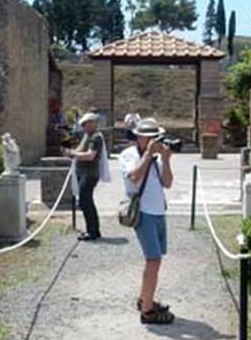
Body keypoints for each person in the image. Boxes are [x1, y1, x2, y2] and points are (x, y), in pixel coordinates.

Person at [118, 117, 174, 325]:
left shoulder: (157, 158)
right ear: (138, 137)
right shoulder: (128, 155)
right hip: (143, 213)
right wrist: (149, 155)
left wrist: (166, 160)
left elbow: (167, 183)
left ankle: (145, 299)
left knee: (156, 259)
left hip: (159, 211)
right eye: (147, 137)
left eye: (154, 137)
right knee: (153, 260)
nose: (151, 141)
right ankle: (147, 311)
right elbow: (134, 177)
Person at [63, 111, 108, 241]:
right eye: (82, 125)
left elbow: (90, 155)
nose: (83, 127)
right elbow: (80, 151)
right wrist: (70, 152)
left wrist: (72, 154)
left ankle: (92, 231)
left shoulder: (96, 137)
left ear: (93, 123)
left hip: (90, 174)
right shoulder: (88, 136)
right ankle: (93, 229)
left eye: (85, 124)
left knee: (85, 201)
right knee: (85, 201)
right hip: (84, 173)